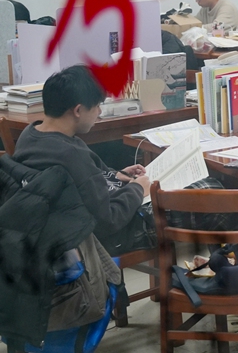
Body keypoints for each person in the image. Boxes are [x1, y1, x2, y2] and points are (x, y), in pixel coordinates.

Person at [13, 66, 150, 255]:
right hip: (90, 243)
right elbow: (108, 221)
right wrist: (137, 189)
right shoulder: (72, 155)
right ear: (78, 110)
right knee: (165, 211)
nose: (99, 112)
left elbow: (82, 182)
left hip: (46, 236)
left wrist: (114, 176)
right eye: (97, 106)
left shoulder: (29, 135)